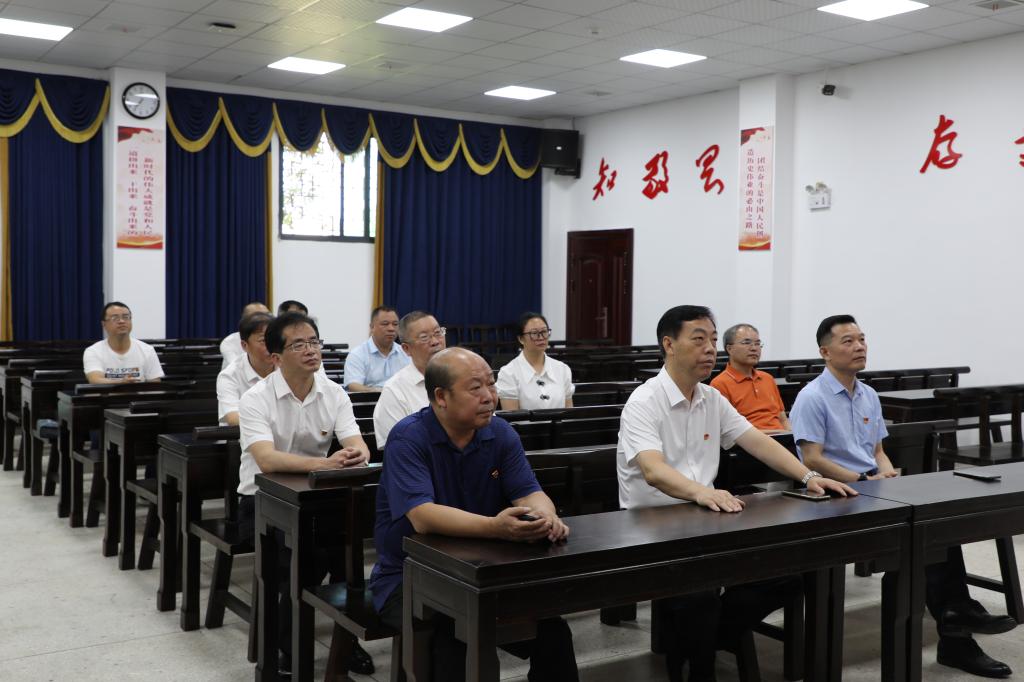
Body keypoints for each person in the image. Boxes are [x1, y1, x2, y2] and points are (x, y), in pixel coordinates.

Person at [617, 305, 854, 682]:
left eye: (713, 340)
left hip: (706, 521)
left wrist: (809, 475)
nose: (710, 349)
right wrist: (702, 493)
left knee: (785, 576)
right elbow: (653, 470)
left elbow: (757, 441)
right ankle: (699, 667)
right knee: (700, 593)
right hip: (651, 526)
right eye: (699, 339)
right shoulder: (644, 401)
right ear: (669, 344)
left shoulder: (711, 399)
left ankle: (697, 646)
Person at [791, 314, 1016, 679]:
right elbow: (812, 459)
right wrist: (865, 478)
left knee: (937, 526)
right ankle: (957, 627)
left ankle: (956, 623)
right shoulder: (811, 397)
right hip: (836, 497)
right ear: (825, 352)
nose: (859, 346)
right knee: (921, 537)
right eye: (848, 341)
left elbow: (878, 450)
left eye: (862, 339)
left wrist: (886, 473)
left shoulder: (868, 395)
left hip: (873, 489)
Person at [370, 347, 578, 682]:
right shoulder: (409, 438)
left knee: (551, 631)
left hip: (483, 572)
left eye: (491, 384)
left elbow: (529, 491)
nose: (489, 397)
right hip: (411, 576)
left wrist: (546, 516)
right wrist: (496, 528)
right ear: (441, 397)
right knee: (456, 638)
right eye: (475, 388)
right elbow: (423, 516)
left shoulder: (500, 433)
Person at [237, 311, 374, 676]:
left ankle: (345, 643)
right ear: (276, 357)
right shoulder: (255, 399)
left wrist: (355, 454)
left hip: (315, 500)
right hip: (261, 502)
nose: (311, 350)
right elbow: (266, 460)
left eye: (314, 341)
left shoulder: (334, 393)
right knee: (306, 560)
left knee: (348, 556)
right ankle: (288, 647)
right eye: (298, 345)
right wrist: (324, 464)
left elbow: (358, 444)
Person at [372, 311, 446, 450]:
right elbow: (398, 449)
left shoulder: (462, 375)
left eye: (438, 333)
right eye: (424, 337)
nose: (435, 342)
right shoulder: (394, 390)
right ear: (406, 349)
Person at [710, 323, 791, 431]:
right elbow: (726, 430)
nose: (754, 348)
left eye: (757, 344)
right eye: (746, 343)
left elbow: (783, 419)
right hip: (750, 440)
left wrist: (790, 435)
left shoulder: (767, 378)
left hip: (782, 437)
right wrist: (775, 434)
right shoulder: (719, 384)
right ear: (729, 349)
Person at [496, 311, 574, 410]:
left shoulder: (562, 369)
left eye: (544, 332)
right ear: (521, 339)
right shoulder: (508, 373)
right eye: (534, 333)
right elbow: (511, 416)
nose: (541, 337)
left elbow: (569, 411)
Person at [83, 302, 164, 384]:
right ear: (104, 324)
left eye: (126, 317)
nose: (121, 321)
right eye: (115, 318)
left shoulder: (147, 350)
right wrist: (121, 384)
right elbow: (95, 380)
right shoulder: (93, 351)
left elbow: (155, 383)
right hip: (107, 393)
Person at [216, 312, 274, 426]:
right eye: (263, 341)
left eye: (274, 339)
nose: (272, 346)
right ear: (244, 345)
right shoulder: (230, 375)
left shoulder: (287, 366)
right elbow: (233, 418)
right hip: (242, 435)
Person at [343, 306, 410, 392]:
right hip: (371, 399)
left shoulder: (405, 352)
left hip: (402, 399)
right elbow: (353, 385)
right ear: (372, 327)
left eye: (395, 324)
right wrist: (381, 392)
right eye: (385, 324)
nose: (391, 328)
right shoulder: (357, 354)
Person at [220, 302, 270, 370]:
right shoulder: (229, 342)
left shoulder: (274, 337)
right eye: (259, 316)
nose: (266, 319)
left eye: (268, 315)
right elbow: (237, 367)